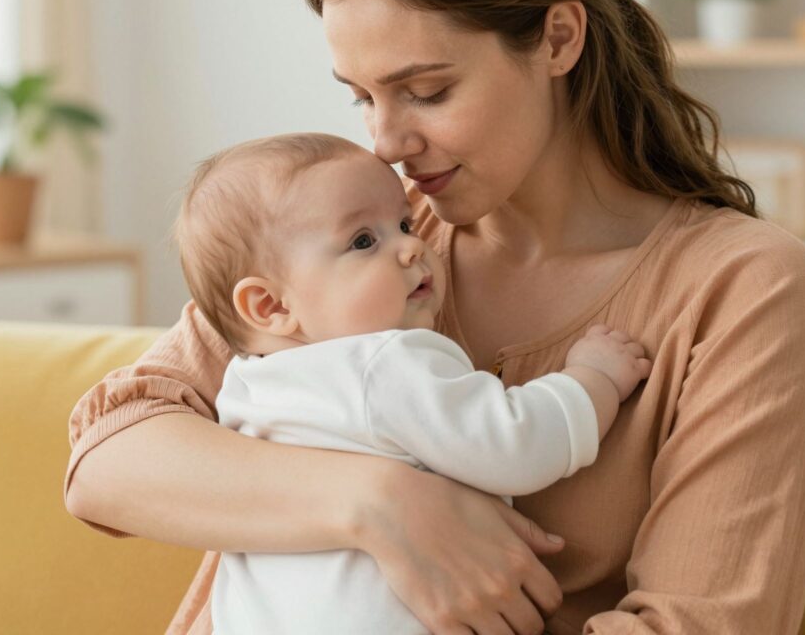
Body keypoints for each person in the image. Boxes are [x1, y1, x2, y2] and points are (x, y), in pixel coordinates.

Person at [64, 0, 805, 633]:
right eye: (362, 97)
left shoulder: (738, 286)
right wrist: (382, 505)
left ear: (559, 38)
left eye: (426, 91)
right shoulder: (355, 243)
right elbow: (107, 458)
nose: (386, 143)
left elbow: (698, 624)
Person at [173, 132, 650, 633]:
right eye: (363, 241)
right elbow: (513, 442)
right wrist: (592, 379)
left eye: (402, 223)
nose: (409, 246)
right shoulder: (381, 362)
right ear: (272, 306)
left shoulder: (247, 387)